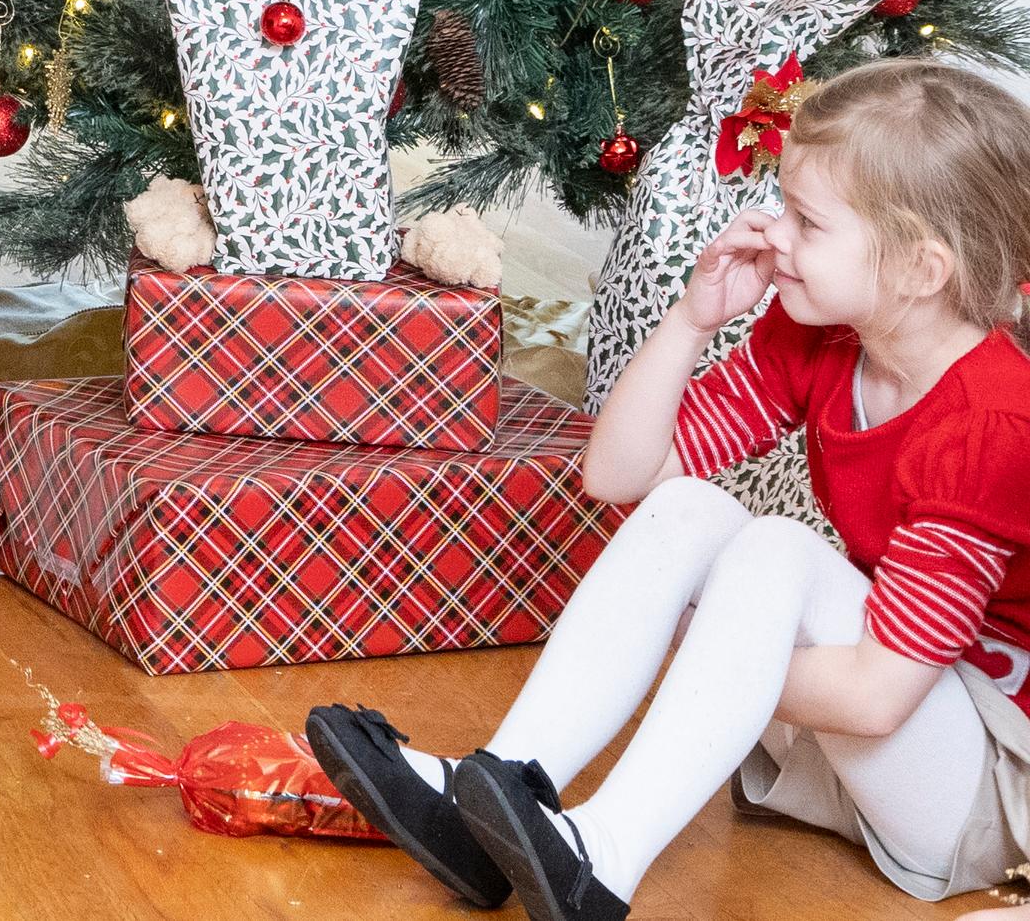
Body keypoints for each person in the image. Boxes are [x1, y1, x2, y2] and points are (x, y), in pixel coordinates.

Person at [310, 59, 1030, 917]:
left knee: (779, 546)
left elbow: (876, 699)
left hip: (982, 789)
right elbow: (620, 476)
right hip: (872, 732)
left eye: (807, 223)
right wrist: (693, 320)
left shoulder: (993, 424)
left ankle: (607, 855)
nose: (772, 234)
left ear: (920, 268)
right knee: (693, 506)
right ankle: (499, 781)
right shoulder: (824, 339)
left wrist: (707, 647)